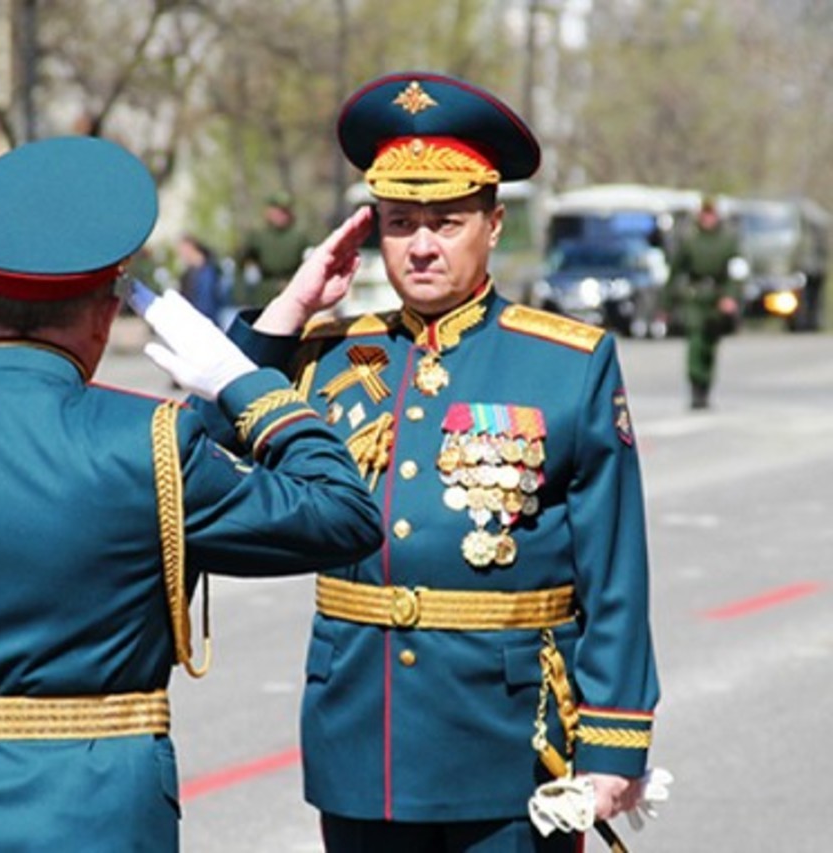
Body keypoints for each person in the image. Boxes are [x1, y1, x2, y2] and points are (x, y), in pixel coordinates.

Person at [0, 135, 383, 852]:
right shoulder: (153, 444)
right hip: (105, 817)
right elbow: (343, 512)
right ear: (105, 314)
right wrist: (244, 379)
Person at [209, 72, 661, 852]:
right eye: (398, 221)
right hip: (362, 733)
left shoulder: (566, 363)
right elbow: (202, 439)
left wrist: (614, 749)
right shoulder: (328, 351)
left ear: (493, 223)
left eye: (446, 221)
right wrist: (291, 308)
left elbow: (613, 573)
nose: (420, 245)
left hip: (508, 742)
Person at [665, 197, 741, 410]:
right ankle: (695, 387)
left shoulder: (727, 241)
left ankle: (706, 387)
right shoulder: (690, 240)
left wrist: (730, 296)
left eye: (711, 214)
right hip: (695, 298)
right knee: (695, 341)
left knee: (709, 345)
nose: (708, 219)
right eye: (704, 214)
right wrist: (666, 304)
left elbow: (736, 272)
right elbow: (675, 271)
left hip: (717, 297)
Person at [236, 191, 310, 310]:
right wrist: (241, 295)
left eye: (285, 211)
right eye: (278, 210)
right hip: (264, 295)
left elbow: (312, 262)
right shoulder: (258, 237)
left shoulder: (300, 237)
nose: (281, 215)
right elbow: (240, 263)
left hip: (293, 292)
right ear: (268, 211)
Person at [175, 232, 224, 324]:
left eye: (181, 250)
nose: (181, 254)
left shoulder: (207, 272)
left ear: (190, 247)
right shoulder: (190, 272)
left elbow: (206, 305)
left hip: (204, 324)